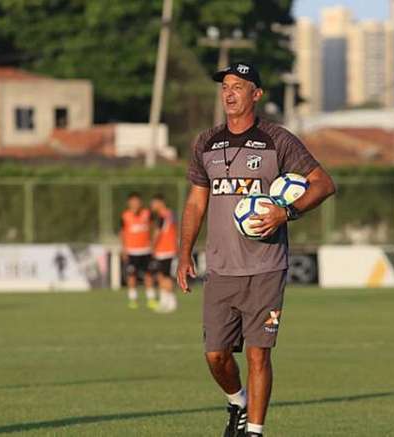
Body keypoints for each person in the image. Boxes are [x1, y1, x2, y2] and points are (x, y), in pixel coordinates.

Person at [177, 62, 336, 437]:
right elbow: (196, 203)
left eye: (238, 86)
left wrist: (287, 212)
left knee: (258, 354)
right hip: (219, 268)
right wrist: (184, 253)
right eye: (225, 87)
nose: (229, 93)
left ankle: (255, 432)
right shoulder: (205, 143)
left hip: (265, 266)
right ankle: (238, 402)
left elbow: (323, 184)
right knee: (215, 355)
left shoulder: (277, 140)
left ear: (256, 94)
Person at [120, 192, 156, 310]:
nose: (135, 204)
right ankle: (133, 300)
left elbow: (153, 228)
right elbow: (122, 233)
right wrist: (124, 248)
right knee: (131, 275)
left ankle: (151, 299)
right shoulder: (125, 215)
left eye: (137, 202)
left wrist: (152, 243)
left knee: (148, 274)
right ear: (129, 203)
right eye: (132, 202)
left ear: (140, 203)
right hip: (131, 251)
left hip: (145, 250)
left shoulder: (147, 213)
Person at [149, 194, 178, 313]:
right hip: (169, 249)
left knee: (164, 276)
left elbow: (157, 233)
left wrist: (152, 245)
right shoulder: (171, 214)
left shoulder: (162, 216)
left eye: (153, 203)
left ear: (160, 202)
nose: (152, 206)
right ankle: (165, 301)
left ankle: (170, 302)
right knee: (162, 276)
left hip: (164, 250)